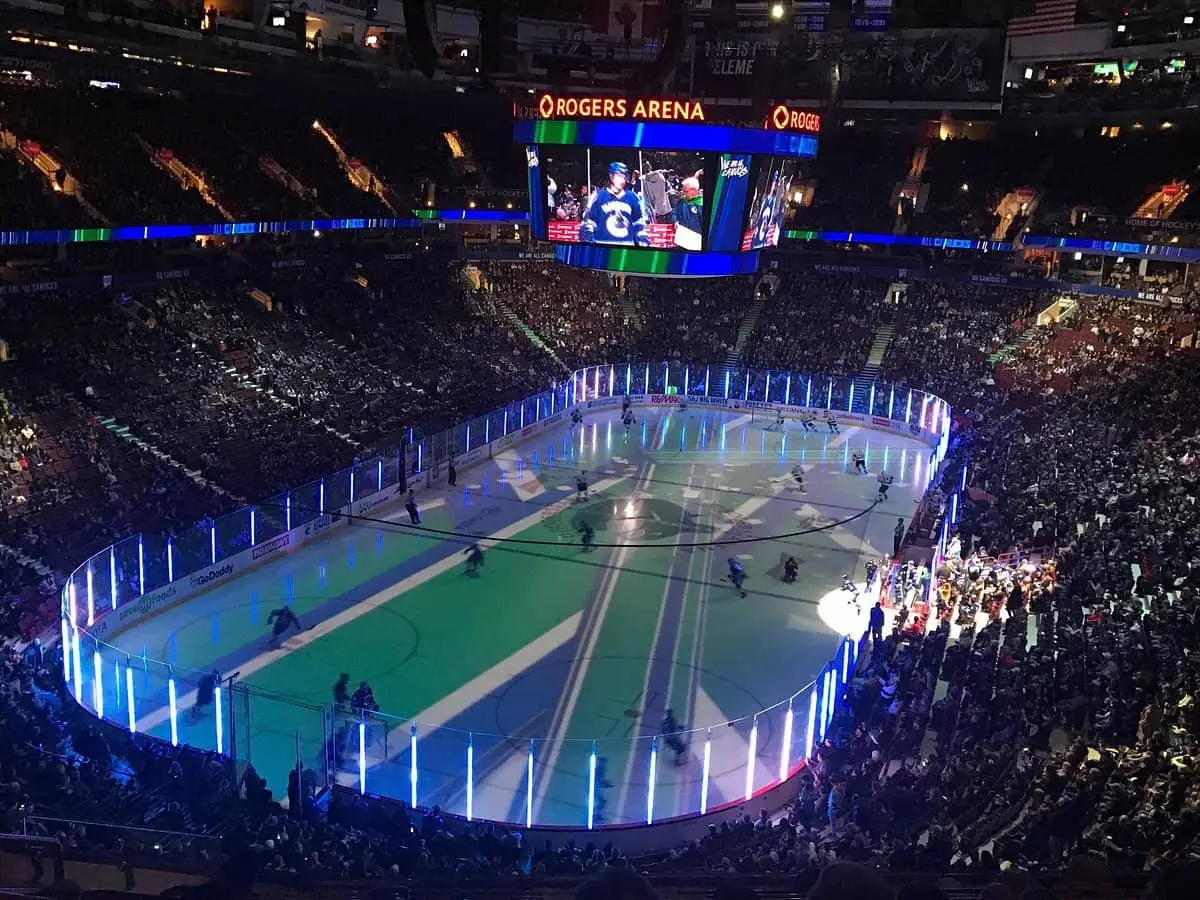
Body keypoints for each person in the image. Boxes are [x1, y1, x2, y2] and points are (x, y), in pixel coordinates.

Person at [580, 161, 651, 247]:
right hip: (603, 246)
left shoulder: (632, 197)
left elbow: (638, 223)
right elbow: (588, 223)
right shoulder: (598, 196)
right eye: (619, 176)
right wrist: (587, 243)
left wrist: (642, 240)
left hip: (627, 247)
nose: (622, 179)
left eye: (624, 176)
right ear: (611, 176)